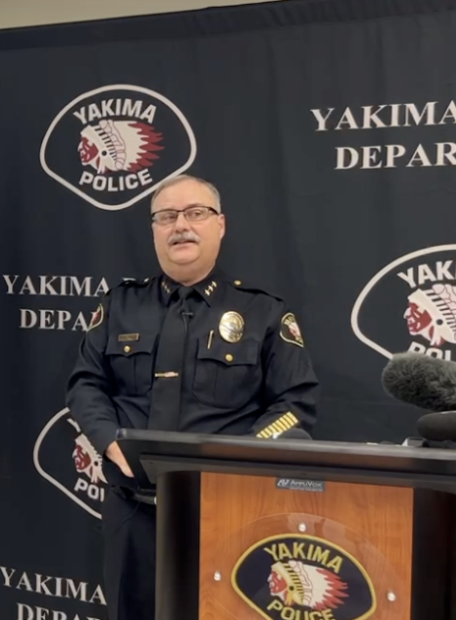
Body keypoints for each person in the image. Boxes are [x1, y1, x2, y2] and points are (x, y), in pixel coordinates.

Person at [64, 174, 320, 620]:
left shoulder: (263, 312)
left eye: (195, 213)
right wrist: (108, 439)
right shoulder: (120, 305)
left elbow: (295, 407)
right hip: (134, 512)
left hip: (227, 511)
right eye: (166, 216)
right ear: (154, 229)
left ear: (219, 225)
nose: (181, 225)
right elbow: (86, 383)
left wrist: (235, 458)